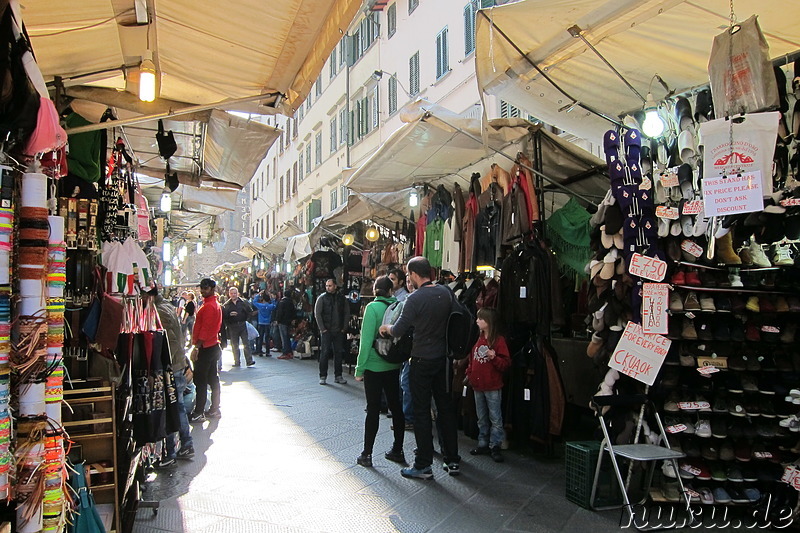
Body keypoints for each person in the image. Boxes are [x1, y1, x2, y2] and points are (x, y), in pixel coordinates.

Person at [379, 256, 461, 480]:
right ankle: (452, 459)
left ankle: (423, 464)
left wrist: (386, 328)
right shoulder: (446, 293)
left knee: (422, 412)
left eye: (408, 274)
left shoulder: (415, 299)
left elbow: (398, 330)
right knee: (445, 409)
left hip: (421, 360)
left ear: (414, 274)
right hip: (442, 360)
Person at [354, 276, 406, 468]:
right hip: (392, 363)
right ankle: (397, 449)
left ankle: (367, 453)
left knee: (373, 409)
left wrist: (360, 368)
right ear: (391, 291)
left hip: (374, 366)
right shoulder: (399, 307)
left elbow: (365, 341)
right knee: (396, 406)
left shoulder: (372, 308)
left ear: (375, 290)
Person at [150, 288, 194, 465]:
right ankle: (183, 445)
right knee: (177, 408)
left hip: (172, 367)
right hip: (177, 364)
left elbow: (171, 341)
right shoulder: (166, 306)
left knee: (171, 408)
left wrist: (163, 365)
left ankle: (172, 452)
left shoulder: (160, 310)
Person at [466, 308, 510, 463]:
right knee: (482, 417)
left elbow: (505, 364)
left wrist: (494, 357)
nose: (477, 321)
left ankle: (495, 445)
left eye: (480, 318)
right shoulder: (477, 339)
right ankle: (483, 442)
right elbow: (472, 359)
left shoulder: (498, 341)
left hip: (492, 385)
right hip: (478, 385)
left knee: (495, 417)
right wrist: (470, 373)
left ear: (488, 322)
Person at [189, 278, 223, 422]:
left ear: (212, 289)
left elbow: (205, 328)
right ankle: (214, 409)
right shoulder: (213, 304)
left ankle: (199, 412)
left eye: (206, 288)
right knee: (212, 378)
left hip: (206, 347)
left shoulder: (209, 306)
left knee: (201, 380)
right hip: (213, 345)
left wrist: (197, 347)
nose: (203, 290)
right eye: (202, 288)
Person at [389, 268, 413, 430]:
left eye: (392, 279)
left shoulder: (408, 300)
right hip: (408, 348)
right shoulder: (403, 299)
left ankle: (408, 417)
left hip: (413, 349)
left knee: (406, 383)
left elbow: (397, 324)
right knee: (404, 382)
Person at [314, 279, 350, 385]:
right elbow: (318, 314)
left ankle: (338, 375)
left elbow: (346, 313)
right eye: (327, 286)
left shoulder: (341, 298)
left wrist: (344, 327)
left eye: (330, 285)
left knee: (338, 353)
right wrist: (322, 329)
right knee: (324, 353)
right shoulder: (322, 298)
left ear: (335, 286)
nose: (328, 287)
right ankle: (323, 375)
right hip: (326, 331)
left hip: (338, 330)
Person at [222, 287, 256, 367]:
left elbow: (250, 312)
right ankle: (237, 361)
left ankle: (249, 360)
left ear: (238, 294)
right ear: (229, 294)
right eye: (232, 293)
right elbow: (224, 316)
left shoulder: (243, 302)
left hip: (242, 324)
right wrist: (229, 315)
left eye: (235, 293)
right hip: (232, 326)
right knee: (235, 345)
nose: (233, 295)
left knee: (246, 343)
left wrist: (246, 320)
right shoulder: (226, 305)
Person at [252, 290, 276, 356]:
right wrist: (272, 298)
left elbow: (254, 302)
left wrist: (259, 294)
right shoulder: (270, 306)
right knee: (267, 337)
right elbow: (274, 305)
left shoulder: (260, 306)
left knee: (260, 337)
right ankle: (267, 352)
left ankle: (259, 351)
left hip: (261, 322)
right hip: (267, 323)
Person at [273, 291, 296, 360]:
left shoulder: (282, 302)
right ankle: (289, 352)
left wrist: (277, 320)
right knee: (287, 337)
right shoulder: (291, 302)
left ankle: (285, 352)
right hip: (289, 322)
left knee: (284, 337)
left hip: (282, 322)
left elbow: (280, 312)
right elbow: (294, 312)